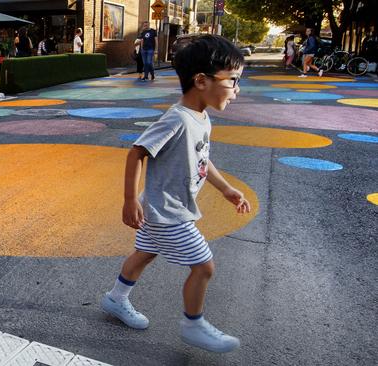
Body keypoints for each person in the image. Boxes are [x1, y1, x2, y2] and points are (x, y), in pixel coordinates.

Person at [100, 34, 252, 353]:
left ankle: (116, 299)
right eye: (233, 81)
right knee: (204, 266)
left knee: (145, 253)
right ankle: (193, 325)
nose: (237, 90)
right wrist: (129, 200)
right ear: (201, 80)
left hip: (161, 206)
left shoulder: (201, 118)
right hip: (167, 211)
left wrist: (226, 189)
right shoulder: (177, 119)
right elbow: (137, 151)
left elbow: (201, 158)